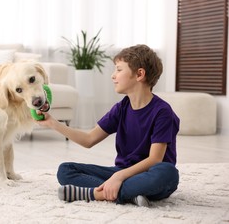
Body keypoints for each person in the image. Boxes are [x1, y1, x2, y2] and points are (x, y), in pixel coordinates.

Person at [36, 44, 180, 207]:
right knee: (66, 170)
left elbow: (155, 160)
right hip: (121, 172)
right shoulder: (121, 108)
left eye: (119, 70)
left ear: (140, 74)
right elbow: (89, 139)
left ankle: (95, 193)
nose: (113, 76)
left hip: (148, 174)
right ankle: (129, 195)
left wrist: (118, 178)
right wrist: (53, 123)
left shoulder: (162, 112)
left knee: (168, 173)